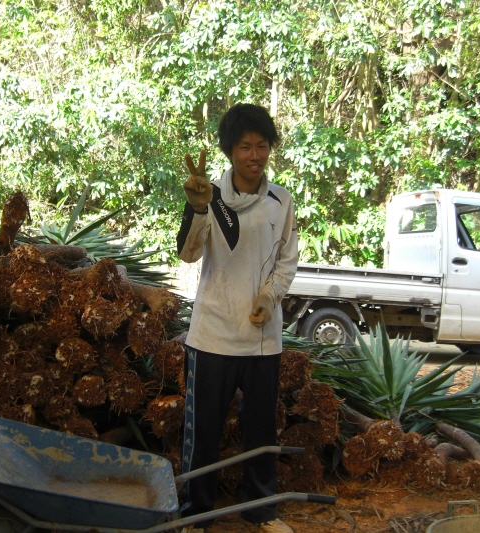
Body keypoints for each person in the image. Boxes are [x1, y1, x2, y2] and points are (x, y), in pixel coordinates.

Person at [176, 103, 299, 533]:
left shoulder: (281, 201)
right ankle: (196, 513)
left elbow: (287, 261)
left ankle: (261, 510)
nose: (254, 155)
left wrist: (269, 296)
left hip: (263, 338)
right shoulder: (210, 196)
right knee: (203, 430)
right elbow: (189, 253)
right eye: (245, 146)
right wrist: (194, 208)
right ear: (230, 151)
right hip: (212, 335)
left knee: (262, 430)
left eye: (261, 146)